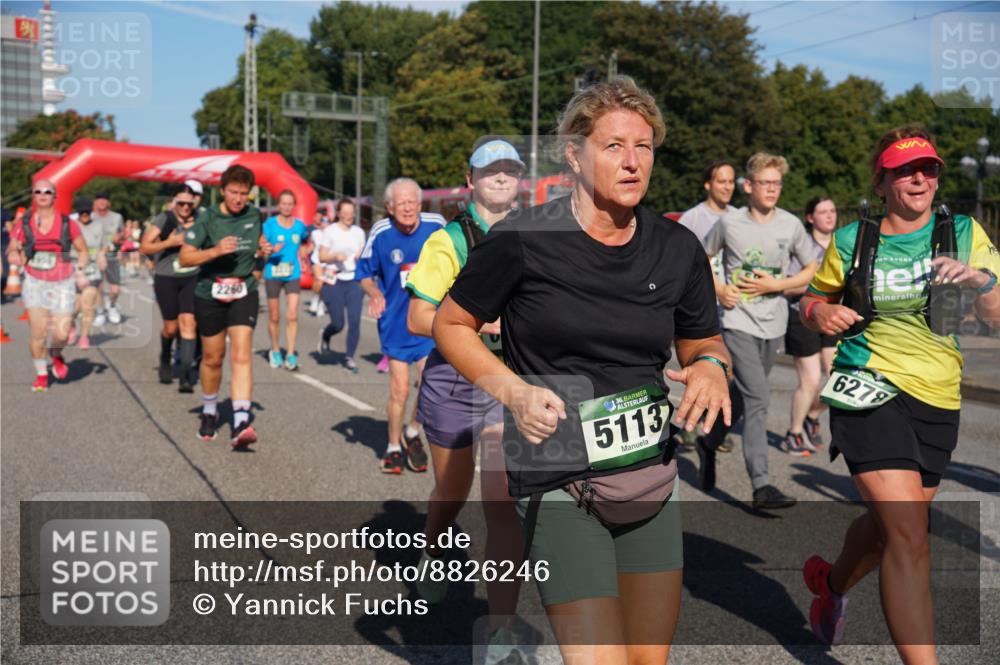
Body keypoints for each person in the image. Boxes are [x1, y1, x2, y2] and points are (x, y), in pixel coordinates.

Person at [434, 77, 731, 664]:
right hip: (557, 475)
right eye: (614, 146)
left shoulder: (677, 248)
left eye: (644, 147)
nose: (632, 162)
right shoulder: (521, 238)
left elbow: (702, 341)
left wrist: (713, 368)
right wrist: (513, 393)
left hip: (649, 475)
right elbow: (451, 324)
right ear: (575, 155)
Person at [799, 124, 1000, 657]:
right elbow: (811, 301)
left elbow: (997, 316)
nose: (919, 178)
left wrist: (980, 282)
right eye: (905, 170)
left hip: (936, 394)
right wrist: (822, 311)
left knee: (893, 529)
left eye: (928, 168)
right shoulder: (853, 240)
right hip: (866, 384)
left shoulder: (962, 232)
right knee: (911, 534)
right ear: (882, 180)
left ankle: (831, 584)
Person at [404, 138, 527, 657]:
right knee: (451, 493)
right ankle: (435, 545)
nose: (500, 177)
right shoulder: (449, 239)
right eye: (489, 170)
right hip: (456, 379)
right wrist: (474, 322)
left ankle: (501, 630)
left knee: (501, 502)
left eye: (509, 169)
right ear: (470, 179)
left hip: (512, 380)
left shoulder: (541, 233)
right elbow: (417, 318)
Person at [699, 152, 818, 510]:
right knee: (759, 398)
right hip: (737, 320)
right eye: (765, 183)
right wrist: (720, 289)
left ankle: (709, 441)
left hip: (774, 321)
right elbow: (702, 257)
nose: (772, 190)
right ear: (748, 186)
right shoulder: (730, 223)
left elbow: (811, 269)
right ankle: (762, 484)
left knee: (742, 396)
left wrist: (778, 284)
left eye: (776, 184)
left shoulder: (791, 225)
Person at [179, 164, 273, 446]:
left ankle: (241, 420)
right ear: (222, 191)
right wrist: (216, 250)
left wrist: (263, 249)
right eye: (233, 192)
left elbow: (258, 241)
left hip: (244, 289)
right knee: (213, 358)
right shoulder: (207, 218)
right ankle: (209, 411)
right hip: (210, 292)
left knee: (242, 354)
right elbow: (185, 258)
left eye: (244, 194)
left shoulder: (254, 215)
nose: (238, 199)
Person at [356, 178, 444, 474]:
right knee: (400, 389)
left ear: (421, 204)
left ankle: (412, 431)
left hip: (429, 319)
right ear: (390, 208)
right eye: (401, 203)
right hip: (395, 321)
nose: (408, 208)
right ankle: (393, 446)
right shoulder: (381, 233)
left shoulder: (437, 226)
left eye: (413, 202)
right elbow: (364, 274)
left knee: (431, 383)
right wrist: (375, 292)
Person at [675, 159, 738, 453]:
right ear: (708, 184)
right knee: (701, 366)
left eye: (730, 181)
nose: (727, 187)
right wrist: (720, 289)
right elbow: (688, 264)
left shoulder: (740, 216)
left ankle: (712, 430)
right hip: (704, 305)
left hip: (737, 307)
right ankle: (690, 428)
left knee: (728, 372)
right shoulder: (693, 218)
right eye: (721, 181)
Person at [6, 179, 92, 392]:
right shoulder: (24, 223)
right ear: (33, 196)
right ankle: (42, 374)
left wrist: (80, 271)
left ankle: (55, 353)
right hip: (35, 283)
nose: (43, 194)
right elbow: (11, 249)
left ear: (54, 197)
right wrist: (14, 256)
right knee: (38, 332)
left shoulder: (67, 223)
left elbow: (83, 251)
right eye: (38, 191)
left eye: (48, 191)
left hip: (63, 282)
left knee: (62, 333)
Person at [782, 195, 839, 454]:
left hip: (833, 316)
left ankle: (812, 416)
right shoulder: (802, 246)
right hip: (802, 316)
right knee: (811, 380)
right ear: (810, 218)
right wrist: (823, 285)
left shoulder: (843, 244)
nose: (829, 215)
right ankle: (793, 433)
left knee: (838, 378)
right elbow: (788, 285)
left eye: (832, 211)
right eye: (823, 211)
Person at [140, 184, 200, 392]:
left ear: (194, 203)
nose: (184, 207)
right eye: (180, 203)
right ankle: (165, 357)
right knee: (171, 328)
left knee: (189, 324)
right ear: (174, 203)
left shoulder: (201, 220)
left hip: (192, 276)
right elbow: (145, 246)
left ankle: (185, 375)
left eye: (188, 204)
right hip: (167, 277)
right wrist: (169, 242)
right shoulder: (165, 219)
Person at [316, 198, 366, 373]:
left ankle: (349, 357)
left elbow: (362, 254)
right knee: (338, 323)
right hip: (334, 280)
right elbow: (322, 256)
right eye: (344, 212)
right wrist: (334, 257)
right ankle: (325, 333)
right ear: (338, 214)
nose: (348, 216)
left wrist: (361, 257)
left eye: (351, 212)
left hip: (353, 281)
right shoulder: (330, 231)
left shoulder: (359, 232)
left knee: (355, 320)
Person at [262, 190, 309, 371]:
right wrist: (270, 249)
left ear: (293, 206)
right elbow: (261, 247)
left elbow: (305, 242)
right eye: (283, 203)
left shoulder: (299, 226)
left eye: (290, 204)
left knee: (292, 315)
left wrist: (304, 257)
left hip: (292, 274)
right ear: (278, 205)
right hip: (273, 273)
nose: (287, 207)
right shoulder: (270, 224)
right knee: (274, 316)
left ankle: (290, 353)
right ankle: (274, 349)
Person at [68, 199, 105, 350]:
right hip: (73, 270)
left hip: (92, 270)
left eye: (87, 212)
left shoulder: (98, 226)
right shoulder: (71, 226)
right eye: (81, 212)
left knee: (88, 304)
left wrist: (102, 256)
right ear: (77, 213)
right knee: (73, 309)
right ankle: (71, 327)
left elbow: (103, 246)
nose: (84, 215)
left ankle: (84, 336)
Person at [91, 192, 125, 326]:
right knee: (97, 288)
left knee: (115, 289)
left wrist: (120, 239)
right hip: (94, 257)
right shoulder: (91, 217)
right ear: (95, 203)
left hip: (112, 256)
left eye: (104, 200)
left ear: (108, 203)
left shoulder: (117, 217)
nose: (102, 202)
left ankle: (111, 306)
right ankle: (100, 312)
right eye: (99, 200)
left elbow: (122, 235)